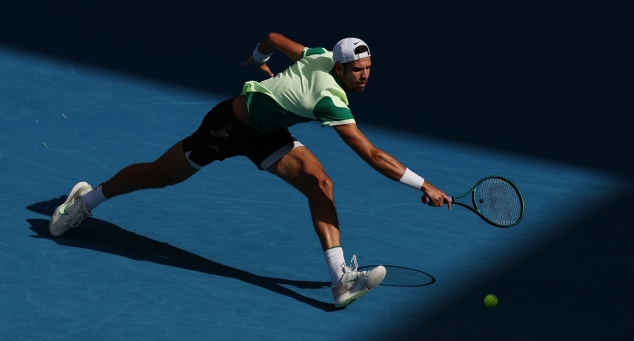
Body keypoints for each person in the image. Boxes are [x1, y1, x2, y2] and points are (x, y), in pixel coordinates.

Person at [50, 33, 452, 308]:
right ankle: (83, 201)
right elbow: (370, 153)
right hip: (227, 127)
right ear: (340, 69)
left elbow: (275, 39)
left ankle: (340, 282)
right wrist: (424, 184)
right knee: (160, 175)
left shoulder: (317, 55)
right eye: (358, 70)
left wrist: (259, 59)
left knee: (320, 185)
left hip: (268, 133)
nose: (365, 76)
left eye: (368, 68)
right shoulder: (330, 98)